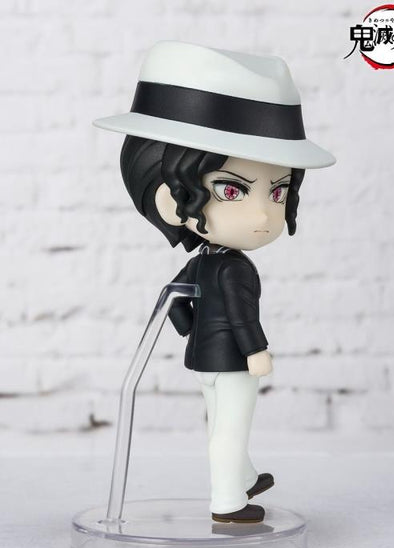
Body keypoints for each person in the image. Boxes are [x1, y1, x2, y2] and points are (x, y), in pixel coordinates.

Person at [94, 40, 335, 523]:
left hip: (205, 359)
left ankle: (243, 477)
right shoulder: (233, 267)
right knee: (231, 427)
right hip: (233, 361)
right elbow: (241, 314)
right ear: (170, 200)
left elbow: (174, 300)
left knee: (220, 422)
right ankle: (228, 501)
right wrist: (255, 350)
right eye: (232, 189)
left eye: (279, 191)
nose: (263, 215)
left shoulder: (204, 260)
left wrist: (195, 334)